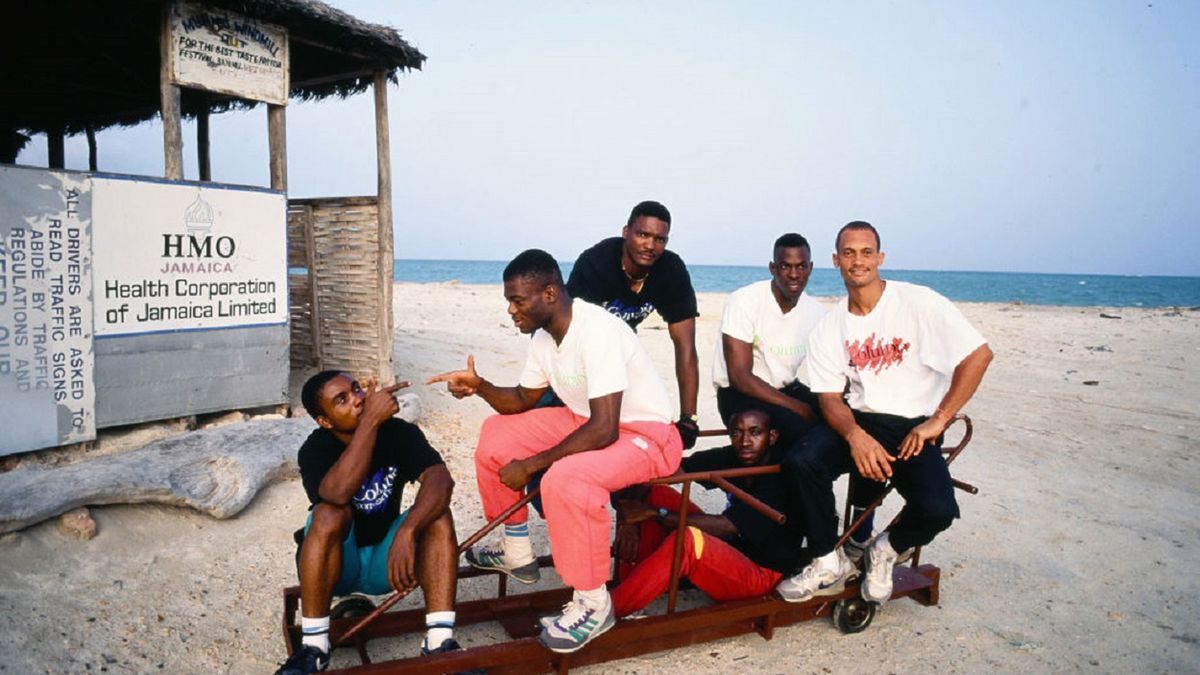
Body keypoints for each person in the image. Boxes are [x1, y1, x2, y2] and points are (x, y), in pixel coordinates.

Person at [427, 249, 682, 654]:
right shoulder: (544, 338)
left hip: (647, 435)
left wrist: (531, 466)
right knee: (496, 435)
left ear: (549, 293)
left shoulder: (597, 330)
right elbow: (523, 399)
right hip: (586, 420)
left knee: (568, 477)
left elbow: (604, 429)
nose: (511, 310)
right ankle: (516, 550)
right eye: (509, 301)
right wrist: (481, 386)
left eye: (517, 300)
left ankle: (594, 604)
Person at [776, 221, 993, 605]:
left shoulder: (917, 302)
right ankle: (829, 559)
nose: (857, 261)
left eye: (865, 252)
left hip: (913, 427)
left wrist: (939, 419)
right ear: (835, 261)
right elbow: (829, 399)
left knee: (939, 509)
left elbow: (978, 356)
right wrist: (855, 437)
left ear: (880, 257)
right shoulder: (830, 326)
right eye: (848, 253)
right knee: (801, 461)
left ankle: (885, 550)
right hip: (860, 419)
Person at [276, 371, 466, 675]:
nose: (358, 400)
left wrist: (408, 531)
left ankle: (439, 642)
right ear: (325, 421)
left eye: (356, 389)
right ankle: (314, 649)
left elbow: (440, 480)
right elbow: (337, 494)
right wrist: (369, 424)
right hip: (335, 568)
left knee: (437, 515)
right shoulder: (315, 449)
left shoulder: (399, 433)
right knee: (327, 513)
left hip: (387, 560)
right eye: (342, 400)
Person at [607, 409, 807, 617]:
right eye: (737, 434)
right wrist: (629, 520)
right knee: (656, 493)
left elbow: (727, 525)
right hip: (734, 549)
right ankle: (634, 584)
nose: (745, 441)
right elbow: (668, 470)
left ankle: (612, 609)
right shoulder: (734, 455)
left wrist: (655, 513)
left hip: (762, 576)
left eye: (755, 432)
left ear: (772, 436)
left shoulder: (780, 475)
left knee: (688, 540)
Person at [567, 200, 701, 448]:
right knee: (567, 420)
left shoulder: (671, 271)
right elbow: (572, 333)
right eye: (642, 235)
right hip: (571, 347)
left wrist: (689, 417)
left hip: (621, 345)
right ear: (626, 232)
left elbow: (686, 348)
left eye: (659, 239)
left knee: (636, 421)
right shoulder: (595, 264)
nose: (650, 245)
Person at [711, 232, 827, 445]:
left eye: (801, 266)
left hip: (786, 388)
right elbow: (740, 378)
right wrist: (798, 407)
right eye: (785, 266)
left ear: (810, 268)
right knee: (800, 430)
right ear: (773, 268)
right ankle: (699, 466)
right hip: (738, 394)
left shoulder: (817, 312)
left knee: (846, 420)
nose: (794, 274)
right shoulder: (744, 301)